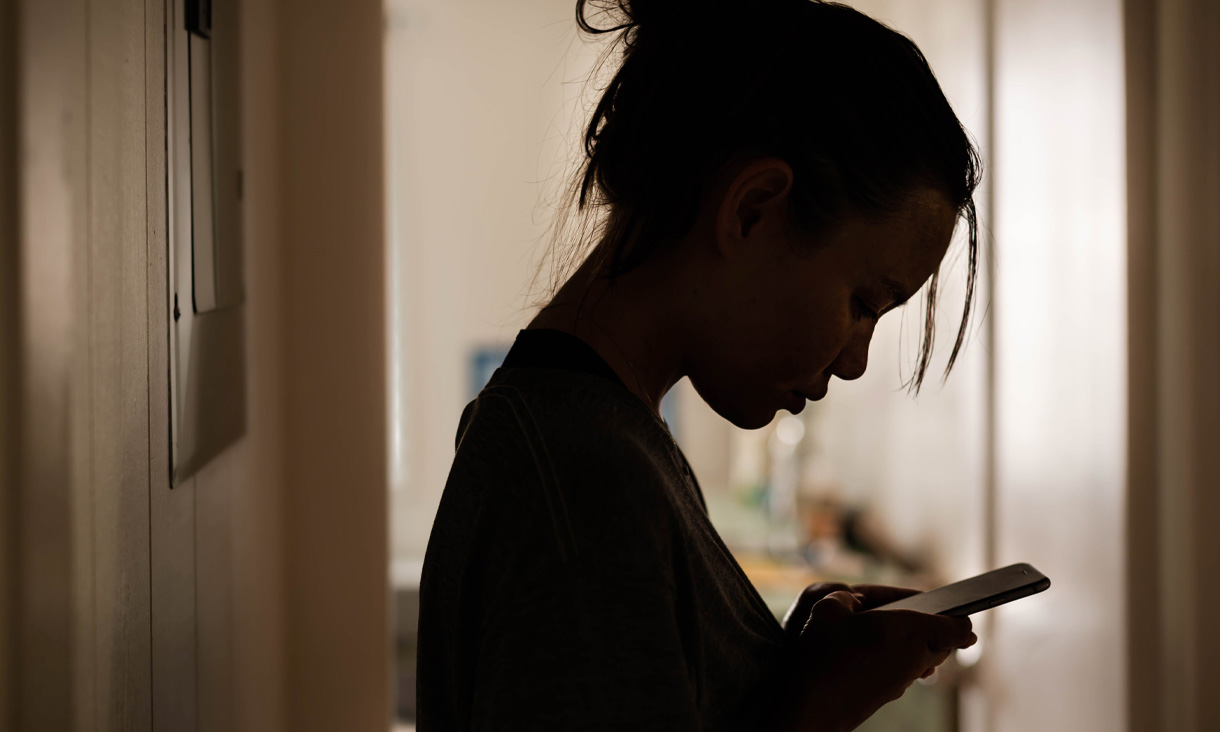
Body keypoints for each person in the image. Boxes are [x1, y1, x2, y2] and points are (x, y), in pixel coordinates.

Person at [417, 0, 982, 729]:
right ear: (751, 210)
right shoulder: (588, 483)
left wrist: (796, 669)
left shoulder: (599, 440)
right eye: (863, 302)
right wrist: (817, 707)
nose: (855, 361)